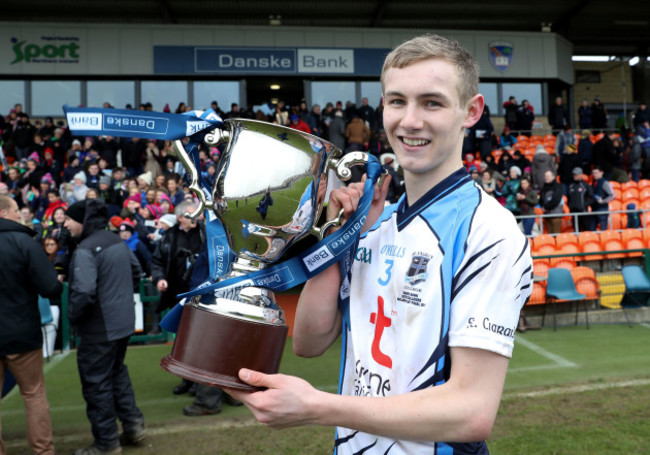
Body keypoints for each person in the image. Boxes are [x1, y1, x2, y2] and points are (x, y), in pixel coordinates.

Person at [228, 34, 532, 455]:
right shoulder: (374, 222)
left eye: (432, 103)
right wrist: (336, 238)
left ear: (471, 111)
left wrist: (318, 407)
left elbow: (472, 411)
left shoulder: (490, 231)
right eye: (397, 101)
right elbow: (310, 343)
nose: (410, 120)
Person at [64, 199, 146, 455]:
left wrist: (72, 316)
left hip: (100, 328)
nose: (64, 224)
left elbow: (84, 292)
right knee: (117, 374)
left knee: (97, 384)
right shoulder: (115, 241)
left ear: (82, 221)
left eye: (68, 219)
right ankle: (134, 427)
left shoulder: (86, 249)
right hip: (122, 323)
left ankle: (106, 443)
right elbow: (136, 271)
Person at [0, 194, 62, 455]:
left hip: (16, 329)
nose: (20, 216)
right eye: (16, 212)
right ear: (4, 213)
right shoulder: (24, 242)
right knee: (34, 395)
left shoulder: (23, 240)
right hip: (22, 332)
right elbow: (50, 288)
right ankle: (43, 452)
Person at [151, 201, 205, 394]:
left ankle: (201, 381)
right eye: (192, 214)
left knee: (201, 336)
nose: (196, 218)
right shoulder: (169, 236)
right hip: (177, 294)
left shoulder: (205, 233)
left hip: (202, 293)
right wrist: (159, 278)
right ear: (181, 217)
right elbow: (157, 260)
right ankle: (187, 379)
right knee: (183, 338)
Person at [567, 167, 594, 232]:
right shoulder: (571, 186)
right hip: (574, 213)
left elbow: (592, 198)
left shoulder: (585, 185)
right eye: (574, 174)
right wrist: (570, 206)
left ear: (581, 175)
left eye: (576, 174)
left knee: (586, 230)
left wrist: (585, 204)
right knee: (576, 231)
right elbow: (568, 198)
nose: (574, 176)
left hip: (583, 212)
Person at [590, 165, 615, 231]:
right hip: (594, 208)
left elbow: (612, 195)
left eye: (596, 173)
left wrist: (603, 201)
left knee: (603, 229)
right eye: (593, 173)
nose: (594, 175)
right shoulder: (593, 182)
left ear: (602, 173)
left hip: (602, 209)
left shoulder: (605, 183)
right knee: (592, 229)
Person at [540, 170, 564, 234]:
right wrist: (543, 207)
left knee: (556, 233)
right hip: (547, 215)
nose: (546, 177)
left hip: (556, 214)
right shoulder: (543, 187)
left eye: (548, 176)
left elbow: (556, 199)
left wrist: (546, 208)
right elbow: (541, 199)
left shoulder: (558, 186)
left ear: (553, 177)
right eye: (545, 176)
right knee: (549, 234)